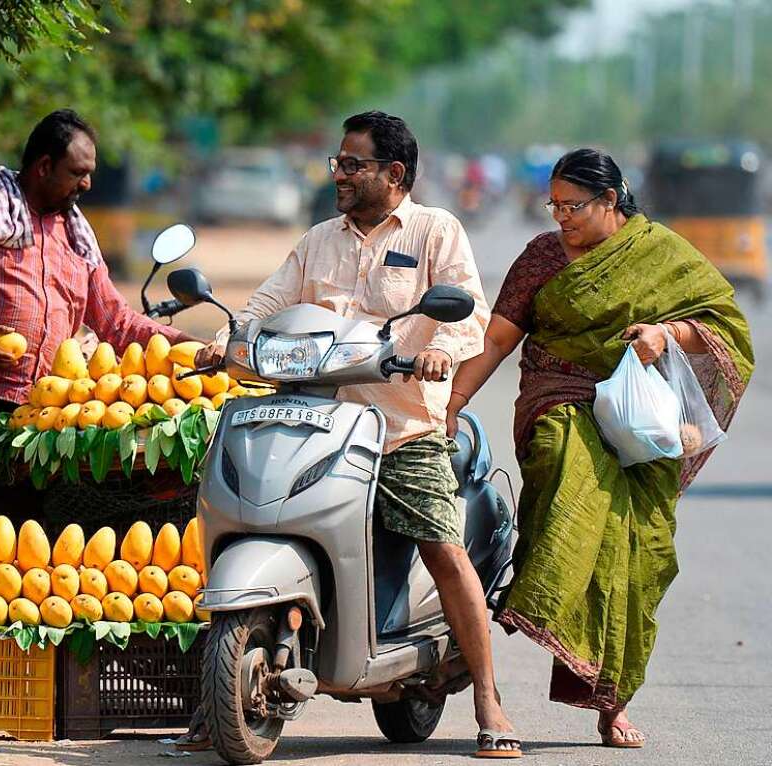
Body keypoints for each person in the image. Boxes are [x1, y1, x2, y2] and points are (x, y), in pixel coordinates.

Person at [190, 111, 520, 758]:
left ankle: (487, 697)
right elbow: (265, 304)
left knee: (442, 547)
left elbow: (465, 312)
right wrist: (228, 339)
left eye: (351, 164)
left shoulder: (434, 231)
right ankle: (214, 702)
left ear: (393, 174)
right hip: (313, 419)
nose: (337, 173)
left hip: (401, 428)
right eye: (337, 163)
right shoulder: (318, 240)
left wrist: (438, 353)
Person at [445, 148, 752, 748]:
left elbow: (725, 330)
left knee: (639, 556)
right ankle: (528, 608)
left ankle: (612, 704)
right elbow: (498, 338)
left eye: (574, 206)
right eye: (553, 205)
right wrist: (453, 401)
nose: (561, 217)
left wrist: (668, 334)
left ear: (611, 201)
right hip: (557, 399)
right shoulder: (540, 257)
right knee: (572, 498)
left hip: (641, 423)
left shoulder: (661, 255)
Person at [0, 109, 193, 528]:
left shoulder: (77, 238)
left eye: (90, 173)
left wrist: (188, 345)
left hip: (38, 421)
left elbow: (116, 321)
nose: (87, 184)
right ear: (44, 167)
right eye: (77, 172)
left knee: (25, 549)